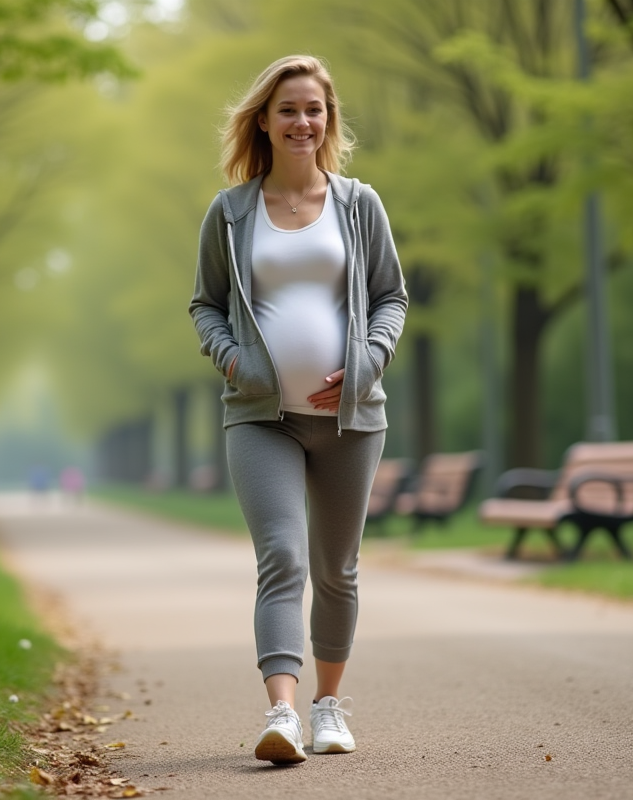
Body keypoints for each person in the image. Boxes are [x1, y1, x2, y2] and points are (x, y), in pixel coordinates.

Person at [189, 55, 407, 765]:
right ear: (264, 119)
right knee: (281, 557)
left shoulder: (358, 203)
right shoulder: (230, 212)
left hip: (349, 420)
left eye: (314, 109)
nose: (302, 122)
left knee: (336, 568)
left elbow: (390, 298)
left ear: (328, 118)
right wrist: (231, 358)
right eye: (288, 109)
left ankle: (328, 708)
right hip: (261, 417)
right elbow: (205, 305)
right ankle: (282, 712)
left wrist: (368, 361)